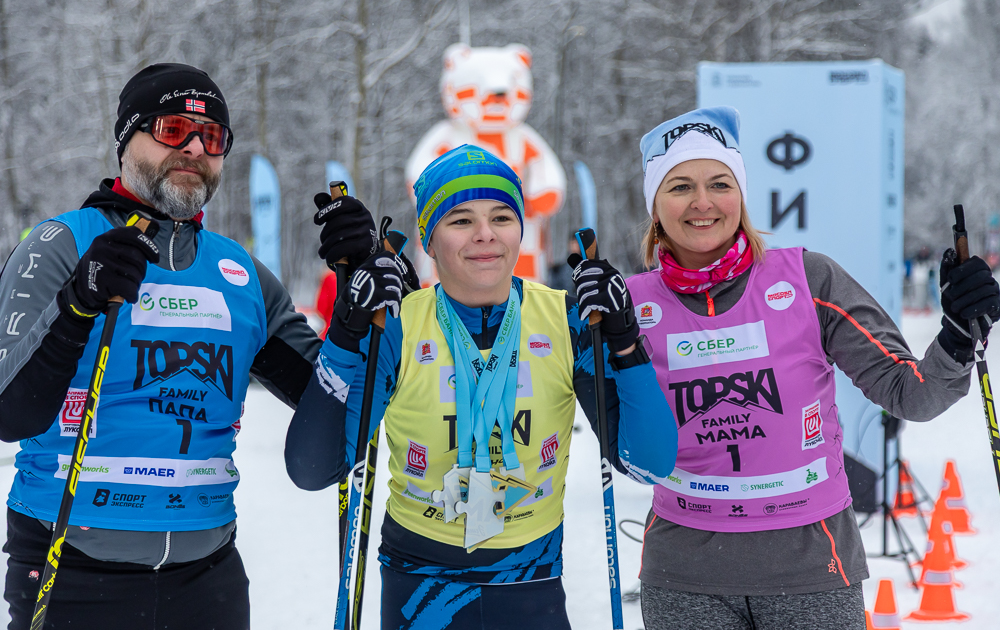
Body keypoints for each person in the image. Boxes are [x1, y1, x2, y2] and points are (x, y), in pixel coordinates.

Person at [0, 63, 363, 630]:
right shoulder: (62, 244)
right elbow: (9, 411)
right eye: (173, 129)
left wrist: (355, 314)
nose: (195, 147)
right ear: (127, 140)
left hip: (207, 579)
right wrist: (76, 304)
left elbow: (339, 411)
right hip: (71, 568)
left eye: (212, 136)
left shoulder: (239, 274)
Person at [627, 107, 1000, 630]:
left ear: (742, 193)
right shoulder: (629, 306)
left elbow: (911, 393)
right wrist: (595, 332)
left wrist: (960, 334)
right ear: (655, 206)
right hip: (685, 575)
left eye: (720, 182)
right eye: (680, 186)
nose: (703, 202)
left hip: (810, 566)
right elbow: (621, 444)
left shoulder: (809, 279)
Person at [284, 144, 678, 629]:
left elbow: (650, 463)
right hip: (420, 588)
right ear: (428, 240)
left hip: (531, 585)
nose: (486, 235)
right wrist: (346, 333)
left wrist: (624, 341)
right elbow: (312, 467)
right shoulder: (399, 327)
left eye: (501, 217)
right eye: (461, 220)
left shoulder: (565, 320)